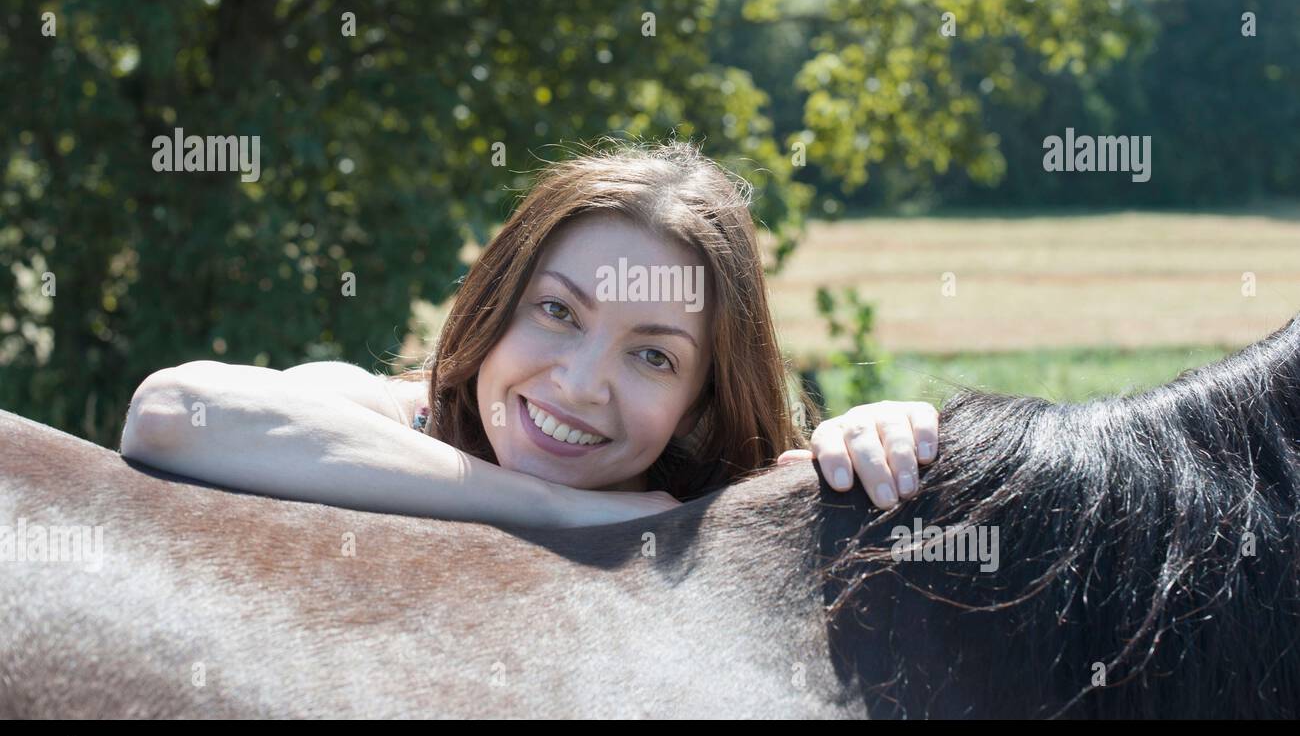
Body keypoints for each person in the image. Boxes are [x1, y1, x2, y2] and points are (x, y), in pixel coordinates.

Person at [121, 139, 938, 528]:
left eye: (654, 355)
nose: (580, 383)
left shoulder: (711, 508)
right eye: (557, 311)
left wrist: (881, 440)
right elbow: (169, 413)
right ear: (495, 301)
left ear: (700, 402)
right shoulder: (392, 414)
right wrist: (557, 510)